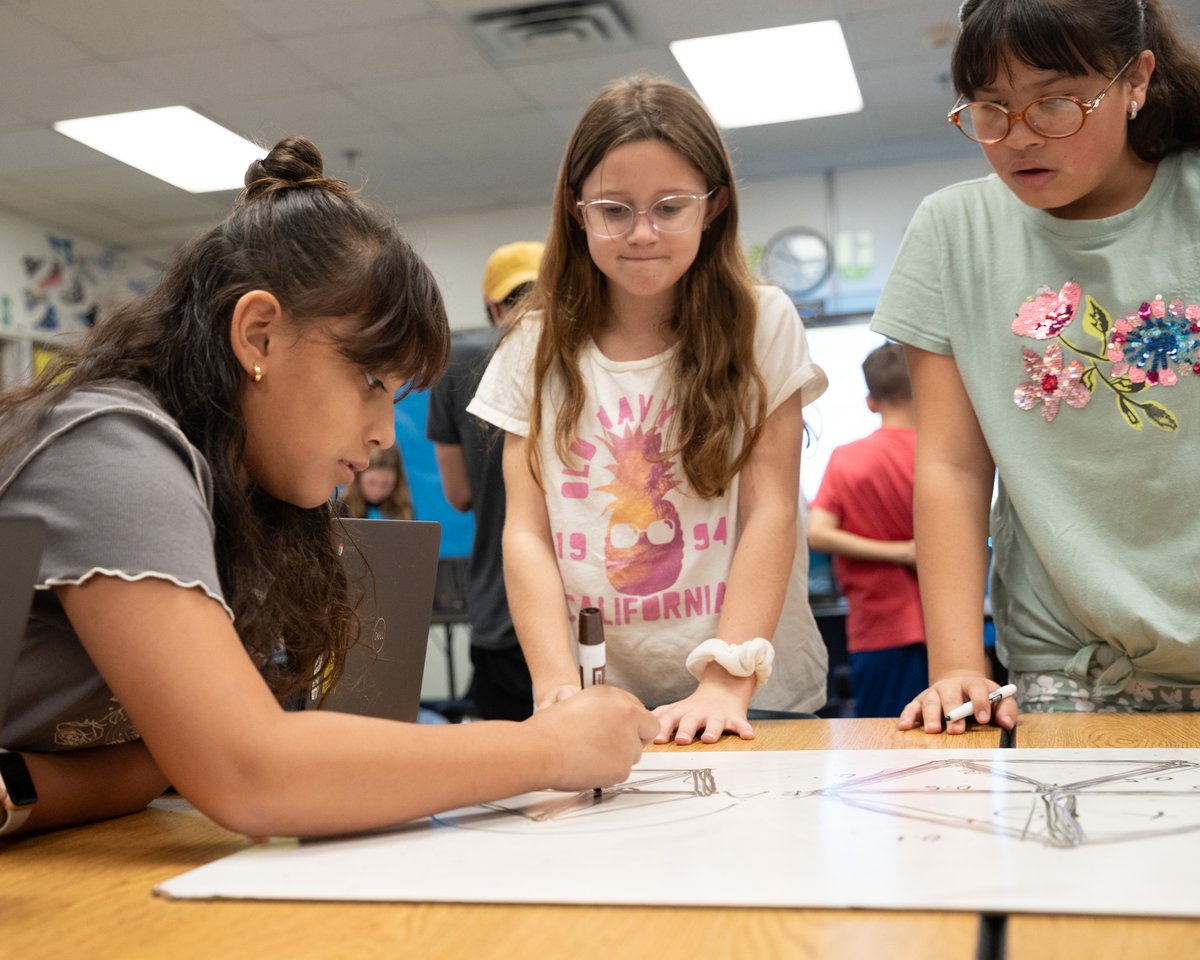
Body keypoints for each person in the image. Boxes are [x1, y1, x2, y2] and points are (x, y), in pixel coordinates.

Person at [0, 136, 657, 838]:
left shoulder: (244, 495)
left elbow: (162, 764)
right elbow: (248, 772)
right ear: (258, 336)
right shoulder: (110, 448)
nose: (384, 432)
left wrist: (23, 786)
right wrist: (551, 748)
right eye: (370, 381)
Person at [468, 75, 830, 746]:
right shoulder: (532, 344)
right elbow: (527, 534)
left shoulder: (762, 321)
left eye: (669, 207)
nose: (642, 233)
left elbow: (771, 510)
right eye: (614, 210)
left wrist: (725, 679)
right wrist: (557, 688)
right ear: (577, 210)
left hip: (755, 695)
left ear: (713, 206)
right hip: (605, 704)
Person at [870, 0, 1200, 734]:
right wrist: (956, 665)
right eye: (991, 108)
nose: (1018, 137)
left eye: (1055, 102)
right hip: (1069, 663)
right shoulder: (955, 231)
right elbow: (953, 467)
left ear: (1136, 80)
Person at [425, 242, 543, 721]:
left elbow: (459, 494)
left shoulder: (457, 363)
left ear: (493, 306)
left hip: (505, 605)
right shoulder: (589, 355)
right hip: (590, 610)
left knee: (515, 760)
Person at [808, 343, 926, 718]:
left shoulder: (848, 459)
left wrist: (899, 552)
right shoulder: (941, 460)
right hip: (952, 631)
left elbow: (818, 533)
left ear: (871, 402)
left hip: (878, 629)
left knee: (883, 741)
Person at [339, 443, 414, 520]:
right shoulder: (341, 507)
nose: (377, 491)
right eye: (371, 483)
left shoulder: (405, 510)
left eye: (385, 484)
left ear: (397, 481)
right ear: (357, 477)